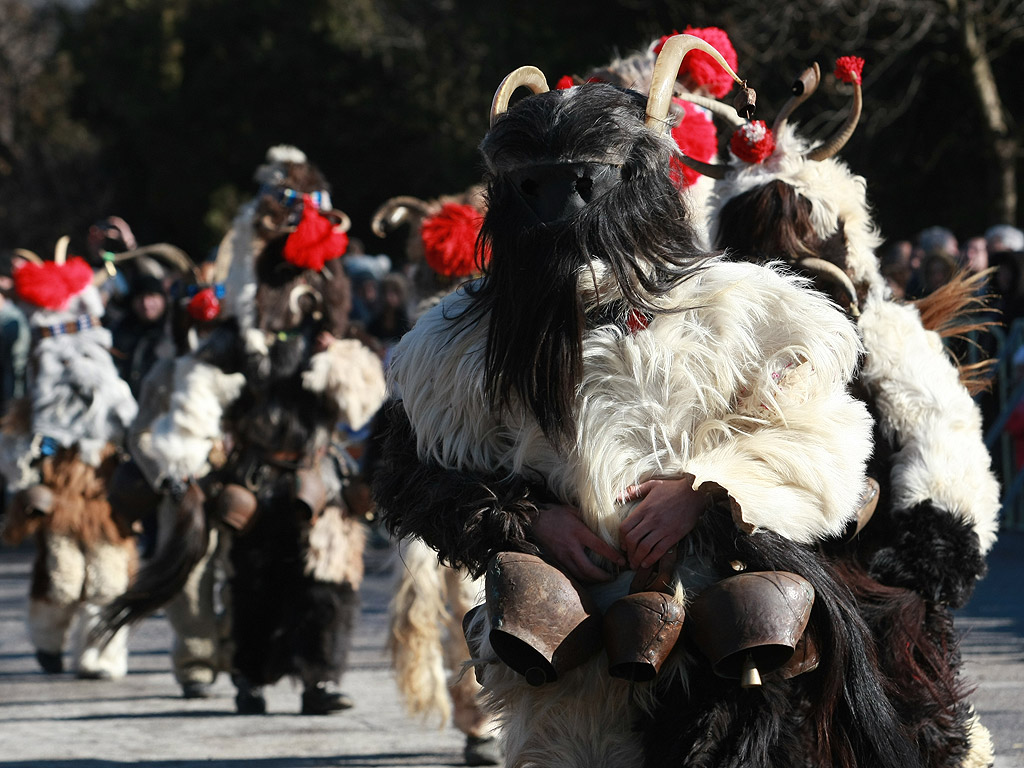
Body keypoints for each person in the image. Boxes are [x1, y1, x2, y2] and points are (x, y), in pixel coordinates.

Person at [374, 36, 915, 768]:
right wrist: (528, 518)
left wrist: (710, 489)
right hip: (560, 652)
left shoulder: (747, 312)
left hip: (721, 638)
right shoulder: (456, 342)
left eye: (581, 186)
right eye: (536, 190)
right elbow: (410, 473)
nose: (560, 214)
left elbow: (826, 441)